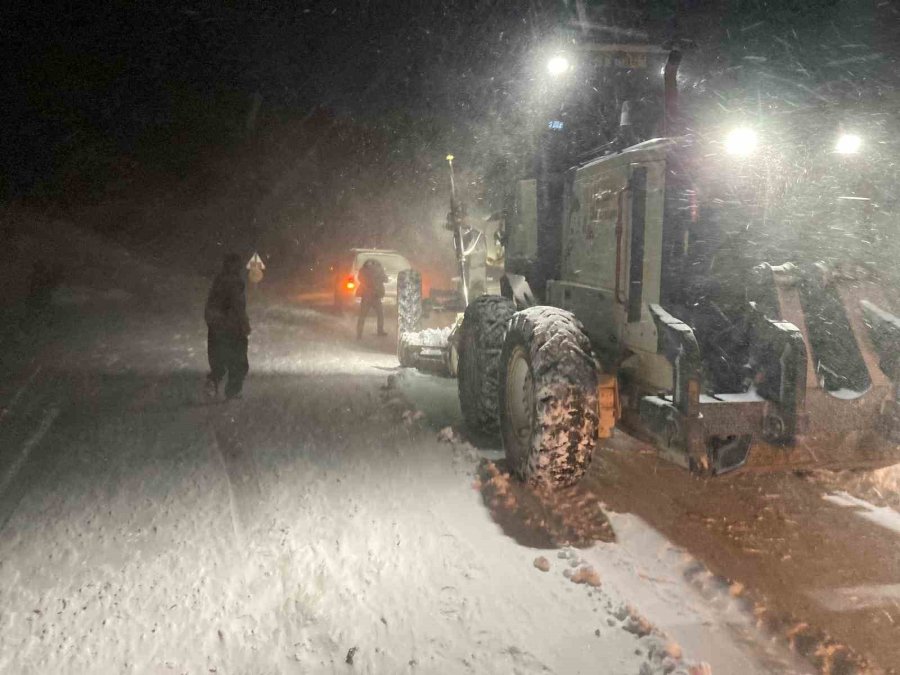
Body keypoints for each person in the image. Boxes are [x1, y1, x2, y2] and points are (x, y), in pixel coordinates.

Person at [204, 253, 251, 399]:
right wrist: (243, 324)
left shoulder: (218, 281)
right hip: (232, 328)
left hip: (216, 326)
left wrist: (213, 322)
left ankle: (213, 383)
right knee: (239, 362)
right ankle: (233, 391)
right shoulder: (234, 283)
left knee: (218, 360)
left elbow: (210, 306)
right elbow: (237, 307)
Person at [356, 258, 388, 339]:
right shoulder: (379, 270)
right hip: (376, 296)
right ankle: (380, 331)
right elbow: (386, 279)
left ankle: (359, 333)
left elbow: (359, 279)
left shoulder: (363, 270)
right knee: (380, 314)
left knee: (362, 315)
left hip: (366, 295)